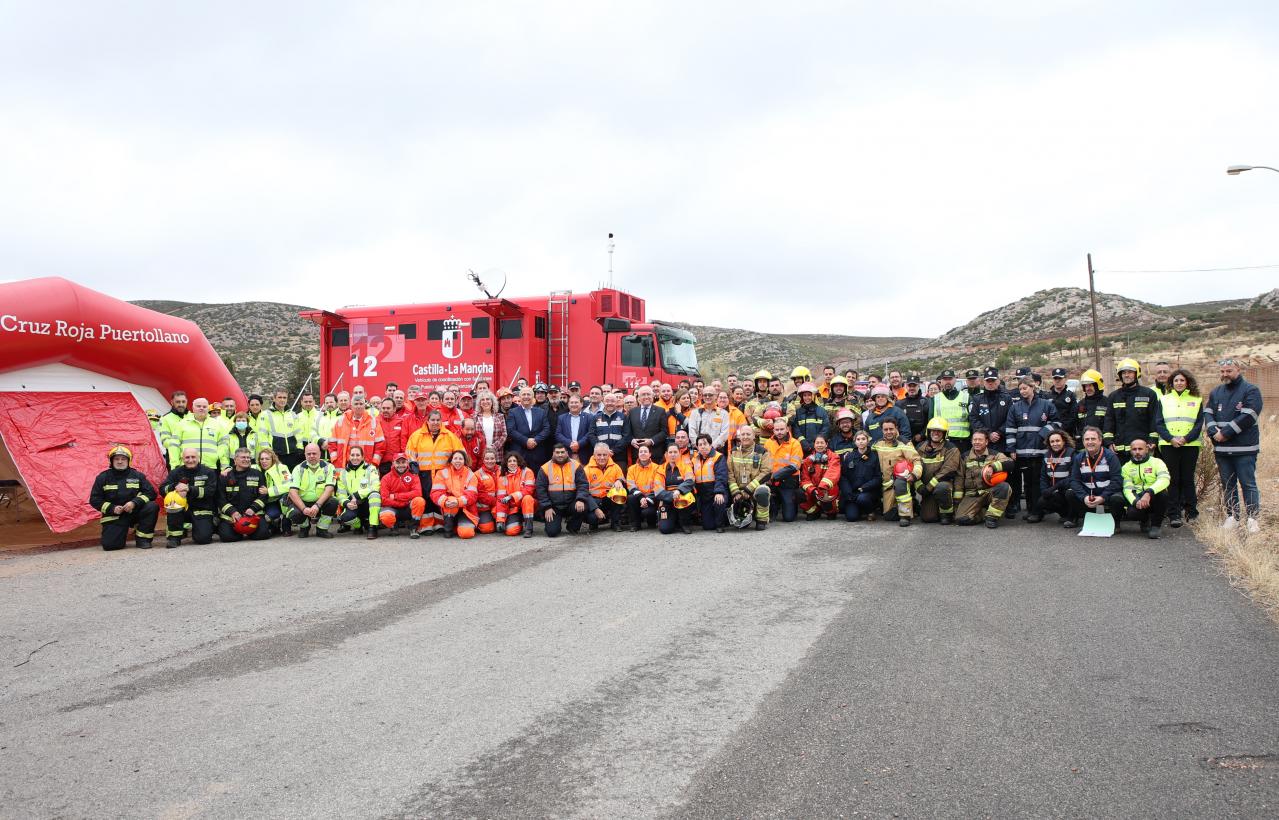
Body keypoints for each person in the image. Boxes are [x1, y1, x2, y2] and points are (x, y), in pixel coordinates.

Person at [1205, 358, 1264, 532]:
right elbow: (1208, 413)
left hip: (1245, 448)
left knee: (1248, 483)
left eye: (1229, 371)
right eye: (1222, 371)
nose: (1225, 374)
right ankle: (1232, 517)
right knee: (1228, 484)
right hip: (1222, 449)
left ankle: (1253, 518)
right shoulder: (1216, 392)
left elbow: (1249, 415)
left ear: (1238, 369)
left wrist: (1225, 433)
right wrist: (1213, 431)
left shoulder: (1251, 390)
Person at [1154, 367, 1204, 527]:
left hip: (1190, 444)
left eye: (1182, 380)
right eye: (1176, 380)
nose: (1179, 383)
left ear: (1187, 382)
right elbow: (1159, 423)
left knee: (1188, 479)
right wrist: (1171, 439)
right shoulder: (1164, 399)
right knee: (1173, 480)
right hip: (1169, 445)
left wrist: (1185, 438)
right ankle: (1174, 514)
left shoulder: (1197, 400)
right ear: (1172, 383)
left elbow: (1198, 424)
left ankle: (1192, 512)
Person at [1006, 376, 1059, 523]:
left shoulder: (1046, 405)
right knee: (1028, 483)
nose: (1022, 391)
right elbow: (1010, 430)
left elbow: (1056, 422)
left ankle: (1038, 511)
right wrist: (1011, 449)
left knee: (1038, 483)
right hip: (1023, 453)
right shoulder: (1015, 407)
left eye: (1025, 388)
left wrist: (1043, 434)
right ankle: (1031, 510)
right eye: (1020, 389)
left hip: (1040, 451)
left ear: (1033, 387)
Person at [404, 409, 465, 534]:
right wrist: (413, 467)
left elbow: (460, 452)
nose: (435, 422)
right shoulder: (416, 436)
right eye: (433, 420)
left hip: (442, 474)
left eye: (438, 420)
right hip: (423, 473)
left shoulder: (449, 436)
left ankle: (439, 524)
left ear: (441, 421)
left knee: (439, 498)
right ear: (427, 421)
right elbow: (409, 453)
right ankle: (426, 526)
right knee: (425, 498)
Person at [89, 445, 158, 550]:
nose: (120, 461)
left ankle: (143, 540)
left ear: (129, 461)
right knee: (111, 546)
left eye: (123, 459)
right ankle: (119, 532)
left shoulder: (137, 475)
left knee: (152, 506)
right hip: (114, 515)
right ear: (111, 461)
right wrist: (112, 508)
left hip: (134, 512)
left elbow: (151, 493)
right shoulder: (103, 477)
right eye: (116, 459)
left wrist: (134, 503)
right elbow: (94, 499)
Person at [969, 368, 1016, 514]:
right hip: (985, 442)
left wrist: (999, 432)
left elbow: (1011, 419)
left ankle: (1010, 505)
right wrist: (988, 434)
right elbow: (973, 419)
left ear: (998, 381)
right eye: (988, 381)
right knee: (984, 472)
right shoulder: (977, 399)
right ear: (984, 382)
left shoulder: (1006, 398)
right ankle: (987, 501)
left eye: (993, 381)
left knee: (1005, 472)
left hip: (1001, 442)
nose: (990, 383)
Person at [1107, 438, 1170, 538]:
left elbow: (1165, 480)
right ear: (1130, 451)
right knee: (1132, 513)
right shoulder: (1126, 467)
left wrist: (1149, 492)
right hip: (1138, 496)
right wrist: (1135, 501)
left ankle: (1156, 526)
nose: (1137, 452)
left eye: (1140, 449)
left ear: (1146, 449)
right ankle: (1144, 520)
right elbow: (1127, 488)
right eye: (1134, 449)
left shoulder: (1157, 462)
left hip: (1154, 494)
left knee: (1163, 494)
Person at [160, 447, 220, 547]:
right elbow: (162, 489)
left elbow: (211, 491)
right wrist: (175, 487)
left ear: (198, 458)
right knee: (173, 506)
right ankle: (174, 538)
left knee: (203, 539)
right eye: (187, 457)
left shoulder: (208, 472)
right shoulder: (175, 472)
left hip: (202, 509)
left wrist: (189, 489)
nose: (190, 460)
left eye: (193, 457)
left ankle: (210, 526)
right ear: (182, 459)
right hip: (181, 509)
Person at [1067, 426, 1122, 528]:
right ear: (1083, 442)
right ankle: (1083, 517)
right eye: (1087, 439)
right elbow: (1074, 480)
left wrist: (1103, 497)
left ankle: (1115, 523)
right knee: (1070, 493)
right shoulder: (1079, 458)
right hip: (1088, 494)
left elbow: (1117, 481)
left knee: (1117, 499)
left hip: (1107, 493)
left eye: (1093, 439)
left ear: (1100, 441)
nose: (1090, 442)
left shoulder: (1111, 457)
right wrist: (1084, 497)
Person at [954, 430, 1011, 528]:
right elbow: (960, 478)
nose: (977, 442)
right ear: (971, 441)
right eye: (974, 439)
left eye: (980, 440)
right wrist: (957, 500)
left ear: (986, 442)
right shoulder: (964, 456)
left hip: (989, 492)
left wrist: (993, 467)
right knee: (960, 519)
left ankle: (991, 518)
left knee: (1004, 487)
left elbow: (1010, 463)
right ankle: (982, 512)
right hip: (972, 495)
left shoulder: (995, 455)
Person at [1105, 358, 1158, 464]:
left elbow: (1154, 419)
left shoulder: (1149, 394)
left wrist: (1152, 440)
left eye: (1130, 372)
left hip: (1141, 449)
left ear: (1136, 374)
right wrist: (1108, 442)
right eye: (1123, 373)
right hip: (1119, 451)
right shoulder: (1113, 396)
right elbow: (1109, 421)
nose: (1126, 375)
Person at [872, 418, 921, 526]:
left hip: (901, 481)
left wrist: (914, 474)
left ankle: (905, 516)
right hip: (886, 485)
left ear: (896, 428)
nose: (888, 432)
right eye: (885, 429)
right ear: (882, 430)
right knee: (888, 516)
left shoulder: (904, 443)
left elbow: (916, 460)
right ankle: (910, 505)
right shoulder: (877, 444)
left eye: (891, 429)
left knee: (900, 484)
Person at [536, 443, 590, 537]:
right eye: (557, 452)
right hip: (553, 506)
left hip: (571, 503)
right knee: (552, 532)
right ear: (553, 453)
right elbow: (541, 490)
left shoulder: (576, 465)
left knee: (583, 506)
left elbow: (583, 484)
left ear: (567, 453)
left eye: (562, 452)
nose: (560, 455)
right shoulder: (545, 468)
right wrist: (547, 507)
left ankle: (572, 526)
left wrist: (580, 499)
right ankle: (555, 524)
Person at [287, 443, 339, 538]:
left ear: (320, 454)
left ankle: (321, 529)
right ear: (305, 455)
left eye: (314, 453)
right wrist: (303, 508)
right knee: (293, 513)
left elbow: (329, 488)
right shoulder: (298, 469)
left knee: (333, 502)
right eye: (309, 454)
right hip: (303, 504)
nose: (311, 456)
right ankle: (305, 527)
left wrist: (317, 505)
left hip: (320, 504)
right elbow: (292, 492)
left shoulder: (329, 467)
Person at [218, 447, 269, 542]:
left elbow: (263, 496)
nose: (246, 460)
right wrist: (232, 512)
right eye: (243, 457)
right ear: (235, 460)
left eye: (248, 457)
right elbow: (220, 498)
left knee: (261, 535)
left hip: (253, 514)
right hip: (232, 516)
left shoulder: (257, 474)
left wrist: (253, 509)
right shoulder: (225, 476)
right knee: (228, 537)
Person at [916, 417, 960, 524]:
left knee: (942, 488)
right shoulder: (920, 447)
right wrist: (919, 485)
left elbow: (948, 470)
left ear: (945, 433)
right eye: (933, 430)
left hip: (943, 485)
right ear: (928, 432)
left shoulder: (951, 448)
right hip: (926, 489)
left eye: (939, 431)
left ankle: (946, 513)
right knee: (928, 518)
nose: (936, 433)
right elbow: (914, 466)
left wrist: (929, 487)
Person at [727, 426, 771, 530]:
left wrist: (748, 489)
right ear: (739, 436)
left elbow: (766, 473)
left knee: (763, 491)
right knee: (741, 524)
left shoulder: (762, 452)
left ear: (754, 436)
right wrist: (736, 492)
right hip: (738, 490)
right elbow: (730, 473)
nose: (745, 437)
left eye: (748, 434)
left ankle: (761, 520)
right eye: (743, 434)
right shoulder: (733, 452)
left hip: (755, 488)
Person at [335, 445, 382, 539]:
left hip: (366, 502)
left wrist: (357, 495)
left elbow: (375, 486)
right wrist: (347, 503)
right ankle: (358, 525)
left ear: (362, 457)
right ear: (349, 456)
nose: (355, 457)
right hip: (353, 503)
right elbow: (340, 494)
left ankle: (372, 527)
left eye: (358, 455)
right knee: (345, 518)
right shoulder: (343, 473)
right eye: (352, 455)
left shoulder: (371, 469)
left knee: (375, 495)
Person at [431, 450, 480, 539]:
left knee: (466, 534)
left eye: (460, 459)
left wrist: (458, 502)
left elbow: (472, 495)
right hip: (449, 508)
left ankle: (459, 526)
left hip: (467, 509)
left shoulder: (471, 475)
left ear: (464, 461)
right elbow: (435, 493)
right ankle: (448, 529)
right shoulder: (442, 473)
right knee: (450, 500)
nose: (458, 461)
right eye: (455, 458)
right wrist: (445, 502)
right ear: (451, 460)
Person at [329, 396, 385, 473]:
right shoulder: (341, 420)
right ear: (351, 406)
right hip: (344, 465)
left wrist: (374, 463)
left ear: (365, 405)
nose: (358, 406)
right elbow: (332, 443)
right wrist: (335, 460)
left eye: (361, 404)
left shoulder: (373, 422)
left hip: (367, 465)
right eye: (356, 404)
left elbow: (380, 445)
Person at [378, 453, 427, 537]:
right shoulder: (386, 478)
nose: (401, 465)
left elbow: (417, 493)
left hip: (407, 507)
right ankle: (393, 527)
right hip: (393, 507)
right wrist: (402, 503)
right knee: (385, 516)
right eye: (398, 462)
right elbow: (384, 499)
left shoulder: (414, 476)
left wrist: (396, 496)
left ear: (407, 463)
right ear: (393, 463)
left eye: (403, 462)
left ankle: (414, 527)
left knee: (419, 501)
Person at [765, 419, 804, 523]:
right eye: (777, 429)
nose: (779, 432)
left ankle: (793, 500)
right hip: (771, 482)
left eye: (782, 429)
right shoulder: (768, 443)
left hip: (788, 482)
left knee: (788, 518)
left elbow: (794, 466)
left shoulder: (795, 444)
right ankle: (773, 506)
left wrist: (774, 476)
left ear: (787, 429)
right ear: (773, 431)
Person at [690, 433, 729, 531]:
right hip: (704, 496)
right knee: (708, 526)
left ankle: (721, 524)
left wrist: (719, 492)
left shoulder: (718, 457)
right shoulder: (694, 460)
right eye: (700, 445)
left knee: (719, 501)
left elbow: (721, 476)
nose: (703, 447)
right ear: (697, 447)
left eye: (705, 444)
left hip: (716, 491)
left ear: (710, 445)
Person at [172, 397, 224, 470]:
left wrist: (218, 458)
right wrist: (175, 465)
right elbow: (174, 446)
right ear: (193, 408)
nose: (201, 408)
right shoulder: (182, 424)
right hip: (186, 466)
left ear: (208, 409)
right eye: (198, 406)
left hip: (209, 467)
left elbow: (223, 445)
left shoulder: (217, 425)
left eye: (204, 406)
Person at [583, 442, 626, 531]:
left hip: (609, 498)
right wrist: (595, 508)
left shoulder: (615, 467)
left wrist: (619, 481)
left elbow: (622, 478)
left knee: (620, 493)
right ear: (594, 455)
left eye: (604, 455)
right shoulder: (587, 469)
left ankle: (615, 523)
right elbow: (584, 491)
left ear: (608, 455)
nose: (602, 457)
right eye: (599, 455)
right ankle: (594, 523)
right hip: (594, 500)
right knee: (592, 518)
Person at [508, 387, 552, 471]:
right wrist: (526, 441)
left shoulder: (541, 412)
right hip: (520, 453)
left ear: (533, 397)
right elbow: (511, 430)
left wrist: (535, 440)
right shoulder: (513, 412)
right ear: (520, 397)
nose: (526, 396)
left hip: (537, 453)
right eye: (523, 394)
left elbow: (546, 429)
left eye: (528, 394)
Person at [840, 431, 880, 522]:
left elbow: (878, 477)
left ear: (867, 441)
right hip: (853, 493)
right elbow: (843, 477)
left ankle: (870, 511)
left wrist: (864, 487)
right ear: (855, 442)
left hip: (867, 492)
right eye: (858, 439)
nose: (861, 441)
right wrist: (848, 491)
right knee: (851, 517)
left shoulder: (874, 456)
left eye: (863, 439)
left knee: (862, 499)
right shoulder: (849, 457)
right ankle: (860, 510)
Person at [1038, 430, 1076, 526]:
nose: (1055, 444)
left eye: (1058, 441)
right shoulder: (1047, 456)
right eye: (1052, 442)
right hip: (1056, 492)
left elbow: (1073, 478)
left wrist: (1053, 488)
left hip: (1068, 489)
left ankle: (1073, 517)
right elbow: (1043, 476)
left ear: (1064, 441)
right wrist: (1044, 490)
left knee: (1070, 493)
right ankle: (1064, 514)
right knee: (1042, 501)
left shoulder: (1072, 453)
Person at [656, 443, 696, 534]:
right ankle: (674, 520)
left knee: (686, 497)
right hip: (667, 499)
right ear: (666, 454)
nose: (673, 454)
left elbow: (690, 481)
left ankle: (684, 523)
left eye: (675, 452)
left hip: (682, 497)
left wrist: (679, 490)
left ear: (679, 454)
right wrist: (672, 496)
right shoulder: (660, 469)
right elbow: (658, 490)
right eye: (670, 452)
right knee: (665, 529)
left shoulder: (686, 466)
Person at [798, 434, 841, 520]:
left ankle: (831, 512)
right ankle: (814, 512)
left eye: (822, 443)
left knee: (832, 490)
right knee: (798, 494)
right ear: (814, 445)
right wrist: (812, 490)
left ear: (826, 444)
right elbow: (804, 479)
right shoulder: (808, 460)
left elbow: (833, 473)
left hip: (826, 490)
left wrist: (822, 487)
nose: (820, 445)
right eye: (817, 443)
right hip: (814, 491)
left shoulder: (834, 457)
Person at [623, 386, 668, 465]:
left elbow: (664, 432)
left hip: (655, 454)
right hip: (637, 453)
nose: (646, 397)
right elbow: (627, 431)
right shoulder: (632, 412)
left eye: (648, 394)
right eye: (643, 394)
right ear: (638, 398)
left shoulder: (660, 411)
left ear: (653, 396)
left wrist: (651, 441)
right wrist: (632, 440)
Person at [495, 453, 537, 537]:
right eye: (509, 461)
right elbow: (501, 499)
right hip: (513, 508)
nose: (512, 463)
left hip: (527, 505)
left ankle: (529, 529)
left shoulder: (527, 472)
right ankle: (519, 523)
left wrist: (511, 496)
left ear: (518, 462)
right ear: (506, 463)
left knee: (527, 498)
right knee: (511, 532)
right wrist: (500, 520)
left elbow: (529, 490)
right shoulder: (502, 476)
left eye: (514, 460)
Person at [929, 369, 970, 455]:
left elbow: (972, 419)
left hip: (963, 442)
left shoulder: (966, 397)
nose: (947, 382)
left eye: (950, 379)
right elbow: (930, 422)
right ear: (941, 381)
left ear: (955, 380)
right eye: (945, 379)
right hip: (942, 441)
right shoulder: (935, 399)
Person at [626, 444, 663, 531]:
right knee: (630, 498)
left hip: (652, 499)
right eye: (641, 452)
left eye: (645, 451)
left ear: (650, 454)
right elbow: (631, 486)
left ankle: (652, 522)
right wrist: (641, 497)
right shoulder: (631, 469)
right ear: (638, 454)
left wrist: (647, 499)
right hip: (638, 498)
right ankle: (635, 525)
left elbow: (658, 487)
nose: (643, 453)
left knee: (647, 512)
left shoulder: (657, 468)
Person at [258, 448, 294, 536]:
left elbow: (289, 485)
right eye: (261, 459)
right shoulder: (256, 468)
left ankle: (286, 526)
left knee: (287, 499)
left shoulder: (282, 468)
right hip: (268, 501)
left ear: (273, 459)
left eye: (267, 459)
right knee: (269, 517)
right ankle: (275, 525)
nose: (264, 461)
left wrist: (269, 491)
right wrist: (228, 469)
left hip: (281, 499)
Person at [263, 390, 303, 469]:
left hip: (293, 454)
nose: (282, 400)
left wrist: (300, 448)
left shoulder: (292, 414)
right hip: (276, 455)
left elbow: (298, 433)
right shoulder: (266, 414)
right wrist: (268, 453)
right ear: (274, 399)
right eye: (279, 397)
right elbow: (263, 436)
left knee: (292, 479)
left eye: (284, 397)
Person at [789, 382, 830, 453]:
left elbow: (825, 428)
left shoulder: (822, 411)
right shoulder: (798, 412)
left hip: (819, 448)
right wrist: (803, 442)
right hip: (802, 448)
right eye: (804, 395)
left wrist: (817, 443)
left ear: (814, 396)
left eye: (809, 395)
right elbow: (796, 430)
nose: (807, 398)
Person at [1076, 369, 1110, 448]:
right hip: (1083, 447)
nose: (1088, 388)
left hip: (1102, 446)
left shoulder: (1107, 402)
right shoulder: (1080, 404)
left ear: (1098, 385)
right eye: (1086, 386)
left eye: (1090, 385)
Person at [555, 394, 594, 461]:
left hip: (583, 453)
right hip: (567, 453)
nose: (573, 404)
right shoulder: (562, 418)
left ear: (581, 404)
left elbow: (590, 433)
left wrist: (579, 444)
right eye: (571, 402)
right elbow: (558, 434)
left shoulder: (589, 417)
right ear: (568, 404)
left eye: (576, 402)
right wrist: (570, 443)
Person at [159, 391, 189, 468]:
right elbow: (165, 441)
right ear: (172, 402)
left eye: (183, 401)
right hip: (174, 459)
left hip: (192, 457)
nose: (181, 404)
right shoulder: (165, 418)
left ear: (187, 402)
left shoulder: (192, 416)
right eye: (178, 402)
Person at [1046, 368, 1078, 440]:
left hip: (1067, 434)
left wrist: (1061, 429)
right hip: (1050, 434)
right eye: (1055, 378)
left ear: (1065, 379)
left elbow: (1073, 416)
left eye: (1060, 378)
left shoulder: (1071, 396)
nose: (1057, 380)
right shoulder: (1047, 396)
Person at [897, 375, 930, 446]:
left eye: (914, 386)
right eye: (909, 386)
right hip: (904, 440)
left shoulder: (926, 402)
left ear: (919, 386)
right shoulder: (899, 403)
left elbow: (930, 421)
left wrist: (922, 435)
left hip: (922, 441)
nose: (912, 388)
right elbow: (896, 423)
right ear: (906, 386)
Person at [474, 391, 507, 456]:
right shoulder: (474, 417)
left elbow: (504, 435)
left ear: (492, 402)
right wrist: (483, 448)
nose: (485, 401)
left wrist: (493, 447)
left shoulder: (500, 416)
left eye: (488, 399)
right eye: (482, 400)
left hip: (497, 454)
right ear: (480, 403)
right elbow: (473, 436)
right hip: (480, 453)